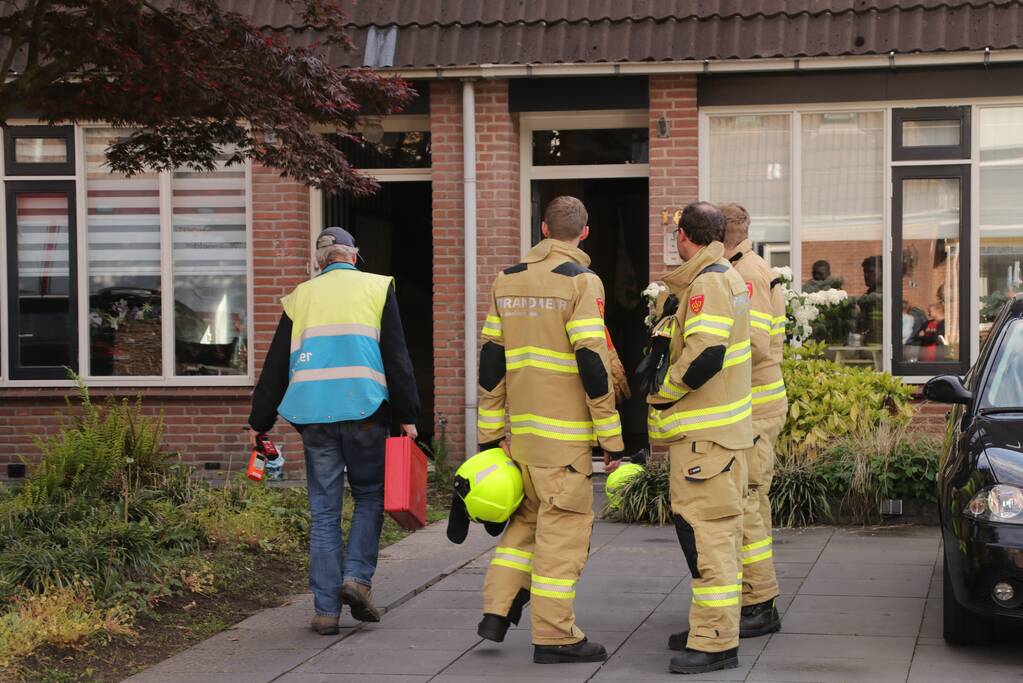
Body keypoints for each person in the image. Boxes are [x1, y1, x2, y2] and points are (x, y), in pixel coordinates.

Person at [475, 196, 625, 664]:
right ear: (584, 233)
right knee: (562, 537)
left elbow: (490, 362)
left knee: (523, 526)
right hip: (564, 444)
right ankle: (556, 637)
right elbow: (592, 363)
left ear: (542, 228)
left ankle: (496, 613)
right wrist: (612, 441)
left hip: (522, 437)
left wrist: (488, 435)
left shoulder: (508, 278)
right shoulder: (582, 281)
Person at [248, 227, 419, 636]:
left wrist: (259, 423)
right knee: (369, 496)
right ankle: (356, 579)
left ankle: (326, 611)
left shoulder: (300, 296)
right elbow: (395, 355)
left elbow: (275, 366)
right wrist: (409, 416)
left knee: (324, 513)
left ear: (319, 262)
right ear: (355, 257)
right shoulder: (377, 289)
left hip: (314, 418)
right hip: (363, 409)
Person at [645, 202, 753, 675]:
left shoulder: (709, 281)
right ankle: (709, 629)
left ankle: (714, 643)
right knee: (715, 541)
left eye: (675, 236)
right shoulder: (720, 275)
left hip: (705, 442)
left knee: (707, 542)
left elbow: (706, 354)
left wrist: (662, 396)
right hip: (716, 440)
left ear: (684, 237)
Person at [720, 203, 786, 639]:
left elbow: (757, 345)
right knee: (747, 504)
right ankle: (751, 599)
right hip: (750, 408)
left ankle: (759, 603)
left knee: (748, 505)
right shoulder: (740, 267)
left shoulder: (747, 274)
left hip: (754, 410)